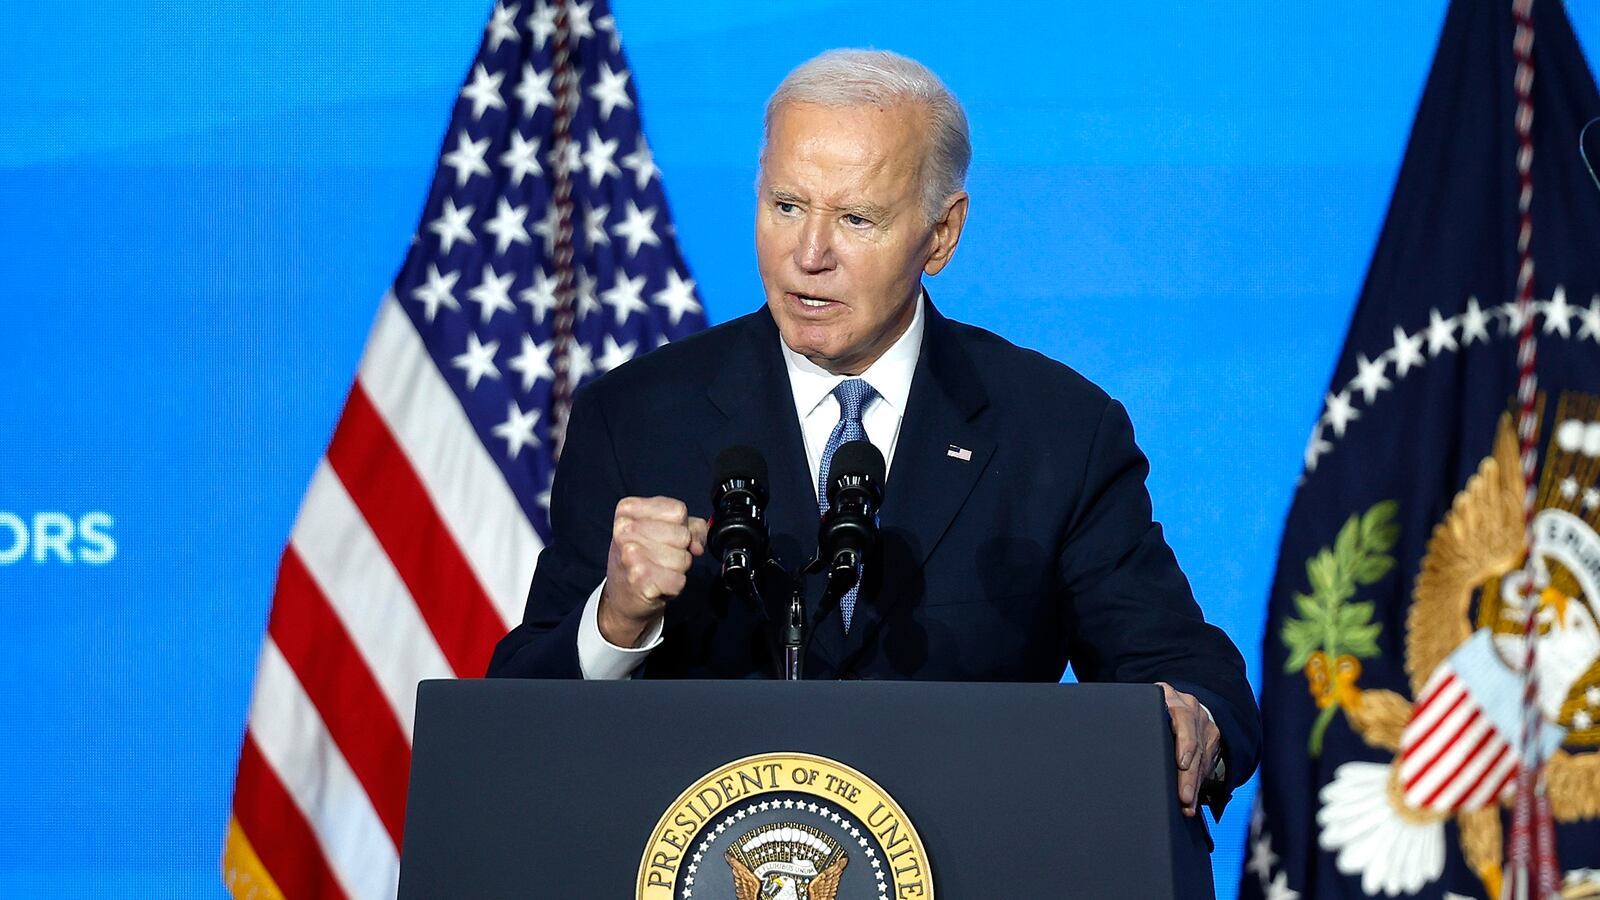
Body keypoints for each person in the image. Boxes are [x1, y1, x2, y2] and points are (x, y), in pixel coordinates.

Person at [487, 49, 1260, 819]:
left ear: (941, 234)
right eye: (787, 206)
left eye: (856, 219)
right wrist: (617, 621)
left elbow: (1182, 667)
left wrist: (1192, 717)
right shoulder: (635, 418)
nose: (809, 255)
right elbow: (510, 719)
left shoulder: (1056, 430)